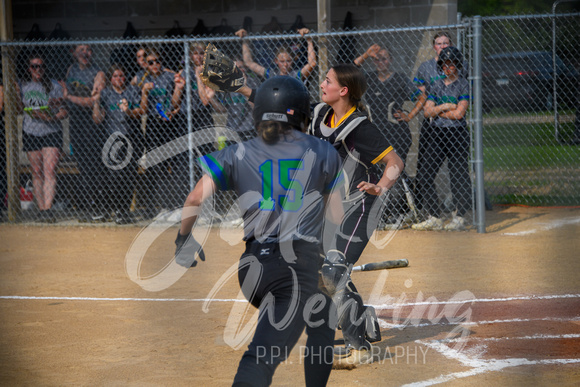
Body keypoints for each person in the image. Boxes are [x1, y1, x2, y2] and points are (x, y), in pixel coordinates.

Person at [176, 76, 343, 386]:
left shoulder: (238, 152)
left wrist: (183, 239)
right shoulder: (323, 151)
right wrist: (332, 256)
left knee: (323, 313)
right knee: (261, 358)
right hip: (295, 270)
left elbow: (194, 198)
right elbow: (336, 216)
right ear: (303, 114)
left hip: (252, 268)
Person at [308, 63, 404, 367]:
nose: (322, 85)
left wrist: (380, 186)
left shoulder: (358, 126)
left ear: (344, 90)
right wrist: (241, 87)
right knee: (321, 273)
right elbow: (282, 105)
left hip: (360, 207)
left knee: (334, 272)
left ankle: (359, 348)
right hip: (329, 211)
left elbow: (395, 161)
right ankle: (363, 320)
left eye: (328, 81)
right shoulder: (320, 116)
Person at [354, 44, 424, 226]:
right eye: (377, 59)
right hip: (377, 136)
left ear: (390, 60)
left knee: (395, 171)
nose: (380, 62)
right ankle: (386, 213)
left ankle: (402, 212)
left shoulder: (400, 79)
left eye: (384, 58)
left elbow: (422, 97)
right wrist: (366, 55)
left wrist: (409, 116)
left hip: (397, 134)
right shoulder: (368, 78)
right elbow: (352, 71)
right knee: (378, 173)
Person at [412, 47, 471, 231]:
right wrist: (445, 106)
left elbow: (460, 113)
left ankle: (460, 217)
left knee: (458, 176)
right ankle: (436, 217)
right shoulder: (436, 85)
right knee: (424, 174)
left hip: (457, 135)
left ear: (457, 64)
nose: (448, 66)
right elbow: (427, 111)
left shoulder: (463, 84)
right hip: (437, 135)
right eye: (444, 63)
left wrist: (437, 112)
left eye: (451, 63)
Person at [92, 65, 149, 224]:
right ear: (111, 79)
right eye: (115, 76)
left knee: (130, 175)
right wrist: (96, 102)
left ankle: (124, 210)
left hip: (132, 138)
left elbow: (141, 111)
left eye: (122, 75)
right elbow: (97, 119)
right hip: (113, 140)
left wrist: (129, 111)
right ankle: (115, 208)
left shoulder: (132, 91)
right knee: (115, 176)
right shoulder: (106, 94)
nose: (119, 79)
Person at [16, 54, 68, 223]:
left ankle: (48, 208)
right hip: (31, 131)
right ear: (28, 68)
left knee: (50, 170)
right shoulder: (23, 85)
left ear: (45, 69)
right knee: (37, 171)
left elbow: (64, 111)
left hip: (51, 131)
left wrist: (50, 117)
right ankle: (41, 209)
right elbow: (18, 108)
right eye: (34, 66)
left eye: (40, 66)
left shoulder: (54, 85)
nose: (38, 70)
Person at [63, 44, 107, 221]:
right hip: (76, 123)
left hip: (92, 126)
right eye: (81, 50)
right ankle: (89, 207)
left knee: (93, 166)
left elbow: (92, 102)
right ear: (74, 53)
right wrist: (63, 100)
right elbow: (68, 95)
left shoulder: (98, 74)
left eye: (88, 50)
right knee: (82, 165)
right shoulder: (71, 70)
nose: (84, 53)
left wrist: (70, 98)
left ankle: (97, 207)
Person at [140, 48, 185, 219]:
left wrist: (173, 111)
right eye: (150, 62)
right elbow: (143, 109)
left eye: (157, 61)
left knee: (170, 163)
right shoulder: (144, 79)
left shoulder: (168, 77)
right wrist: (144, 92)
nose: (155, 65)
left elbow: (175, 102)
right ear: (146, 64)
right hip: (153, 124)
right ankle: (155, 205)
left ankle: (172, 204)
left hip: (168, 123)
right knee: (154, 165)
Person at [235, 28, 316, 82]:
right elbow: (248, 63)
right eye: (282, 61)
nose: (285, 64)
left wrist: (309, 40)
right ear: (276, 61)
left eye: (288, 61)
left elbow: (312, 63)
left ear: (293, 60)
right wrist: (245, 40)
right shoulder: (271, 75)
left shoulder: (295, 75)